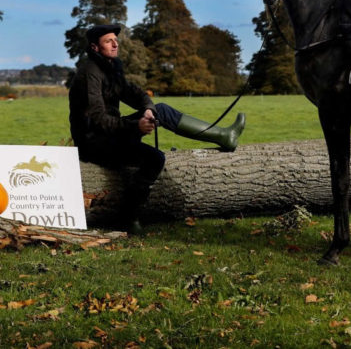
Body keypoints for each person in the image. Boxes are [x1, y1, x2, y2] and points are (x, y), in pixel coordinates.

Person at [68, 23, 246, 234]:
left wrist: (148, 109)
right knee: (155, 158)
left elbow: (135, 93)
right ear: (95, 47)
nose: (115, 44)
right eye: (108, 41)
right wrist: (135, 125)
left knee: (160, 109)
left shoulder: (111, 69)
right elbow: (97, 119)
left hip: (111, 134)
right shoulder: (90, 72)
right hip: (94, 143)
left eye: (116, 40)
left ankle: (223, 135)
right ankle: (128, 217)